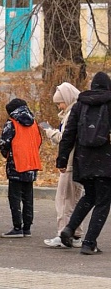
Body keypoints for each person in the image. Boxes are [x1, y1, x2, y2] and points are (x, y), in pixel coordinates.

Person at [57, 72, 111, 255]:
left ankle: (69, 228)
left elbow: (69, 134)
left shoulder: (80, 104)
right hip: (106, 160)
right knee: (103, 202)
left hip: (84, 160)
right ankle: (89, 243)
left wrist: (62, 159)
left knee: (89, 196)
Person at [41, 82, 84, 248]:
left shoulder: (72, 114)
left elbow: (65, 138)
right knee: (75, 201)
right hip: (79, 162)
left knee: (64, 200)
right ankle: (76, 234)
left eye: (60, 102)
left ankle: (63, 234)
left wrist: (50, 131)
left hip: (70, 163)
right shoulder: (81, 110)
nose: (59, 106)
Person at [0, 98, 42, 238]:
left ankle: (17, 227)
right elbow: (38, 141)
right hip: (31, 163)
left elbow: (3, 143)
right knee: (28, 197)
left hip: (16, 163)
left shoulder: (12, 123)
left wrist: (8, 154)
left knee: (15, 197)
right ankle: (27, 227)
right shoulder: (34, 122)